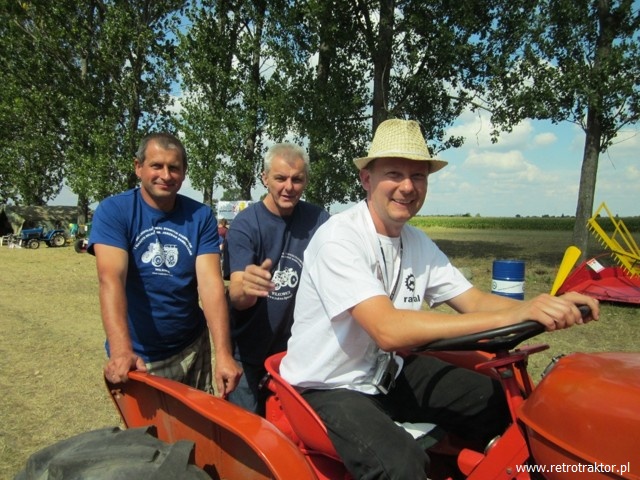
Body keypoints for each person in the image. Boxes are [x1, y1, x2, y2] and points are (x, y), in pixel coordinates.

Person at [280, 119, 599, 479]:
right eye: (394, 174)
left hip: (387, 373)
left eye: (418, 176)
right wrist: (513, 315)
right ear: (366, 179)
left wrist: (547, 305)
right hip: (330, 385)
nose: (407, 187)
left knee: (497, 402)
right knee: (401, 465)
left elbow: (475, 302)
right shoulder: (339, 239)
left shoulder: (416, 242)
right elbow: (388, 330)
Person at [88, 132, 241, 397]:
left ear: (184, 172)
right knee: (150, 425)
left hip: (191, 346)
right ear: (138, 167)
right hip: (140, 356)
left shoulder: (200, 216)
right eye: (156, 166)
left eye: (174, 167)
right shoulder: (115, 211)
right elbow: (111, 279)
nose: (166, 175)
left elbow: (210, 285)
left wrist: (224, 354)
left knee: (197, 421)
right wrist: (122, 350)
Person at [223, 142, 330, 415]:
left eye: (297, 179)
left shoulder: (319, 220)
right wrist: (246, 288)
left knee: (288, 430)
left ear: (306, 181)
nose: (289, 187)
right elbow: (238, 295)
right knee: (245, 430)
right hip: (247, 354)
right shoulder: (246, 224)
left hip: (296, 355)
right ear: (265, 178)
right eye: (280, 178)